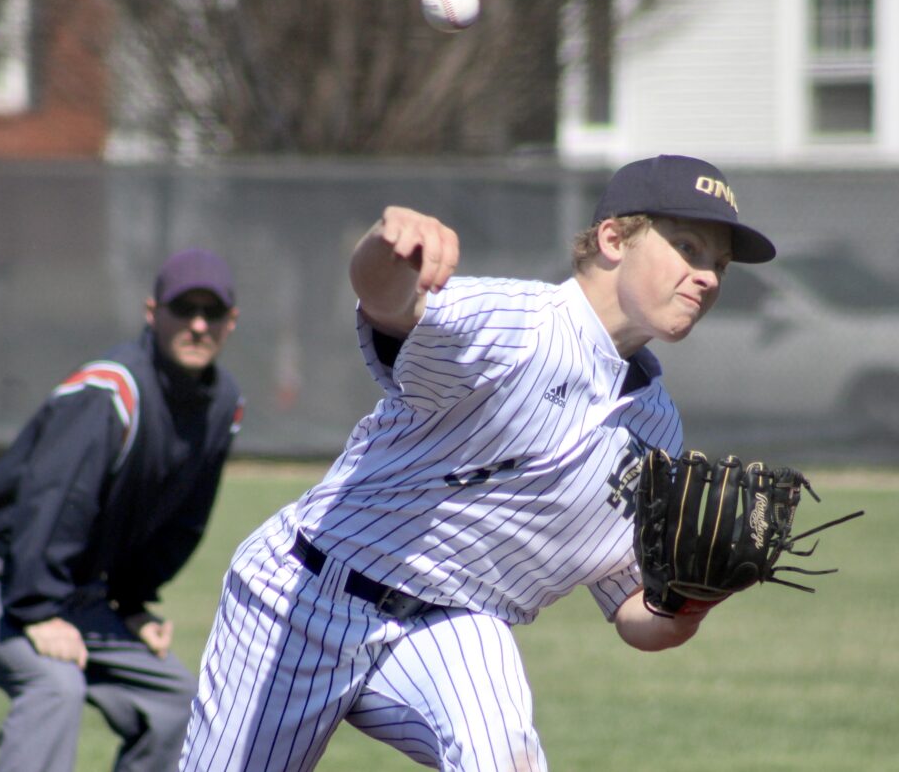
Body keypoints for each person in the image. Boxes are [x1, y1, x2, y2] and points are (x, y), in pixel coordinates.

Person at [179, 154, 777, 772]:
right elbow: (388, 301)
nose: (706, 276)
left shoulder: (657, 431)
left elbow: (631, 607)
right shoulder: (520, 326)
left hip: (459, 626)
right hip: (307, 593)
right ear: (612, 239)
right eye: (687, 246)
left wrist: (689, 602)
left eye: (718, 264)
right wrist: (390, 242)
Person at [0, 248, 245, 772]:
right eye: (183, 308)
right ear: (153, 313)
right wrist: (36, 609)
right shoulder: (111, 389)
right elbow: (54, 499)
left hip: (74, 593)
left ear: (230, 323)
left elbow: (178, 521)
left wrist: (131, 602)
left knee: (176, 702)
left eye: (211, 312)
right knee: (53, 684)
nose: (197, 324)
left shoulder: (220, 405)